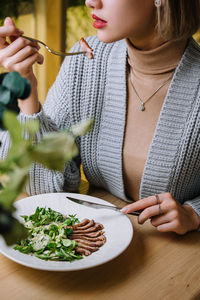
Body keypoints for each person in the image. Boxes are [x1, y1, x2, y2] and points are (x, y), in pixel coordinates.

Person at [0, 0, 200, 235]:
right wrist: (27, 92)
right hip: (96, 239)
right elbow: (47, 186)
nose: (90, 1)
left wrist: (193, 213)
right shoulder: (84, 61)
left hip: (178, 256)